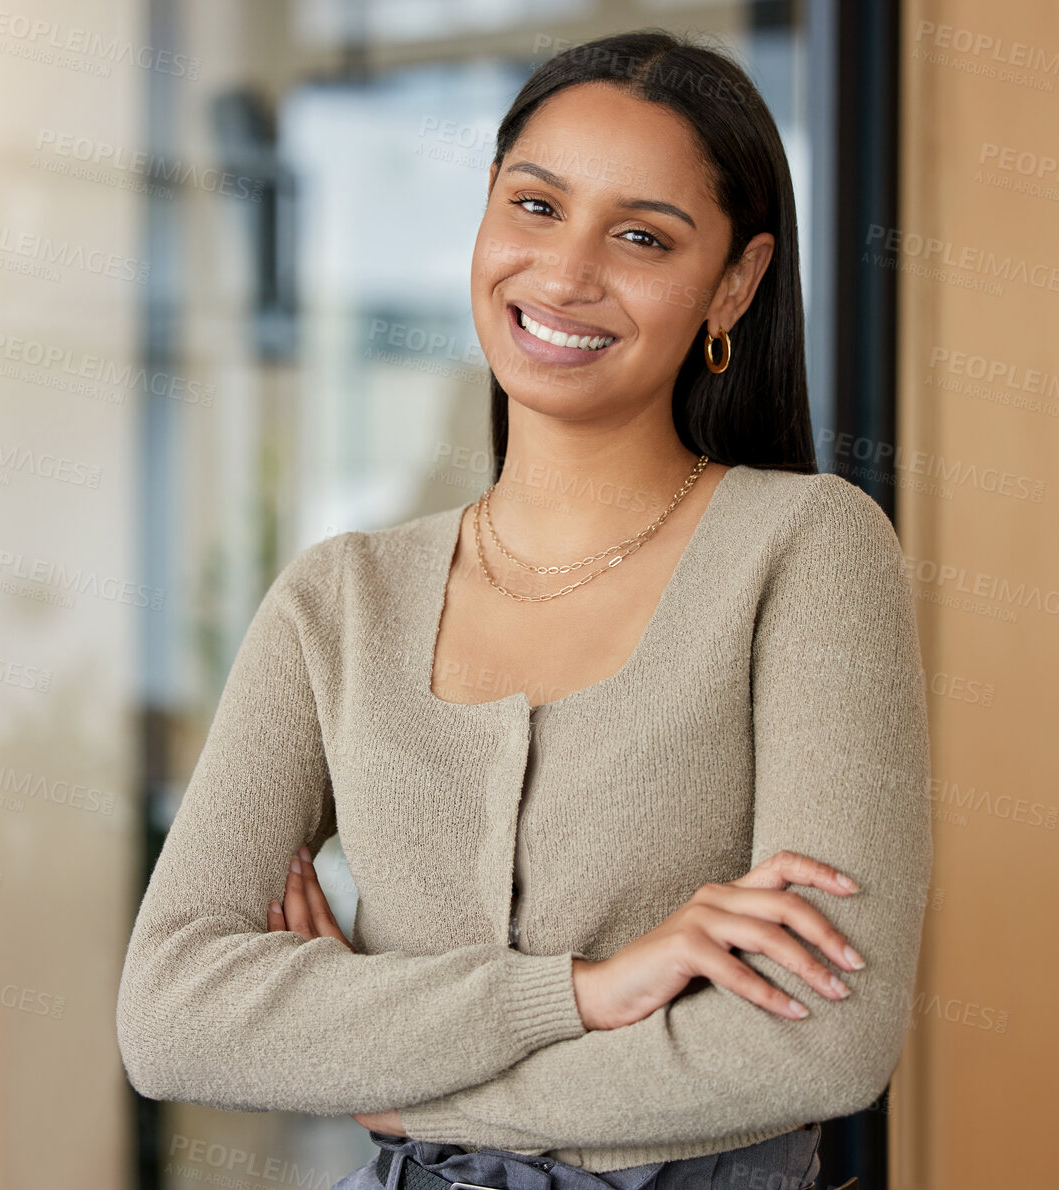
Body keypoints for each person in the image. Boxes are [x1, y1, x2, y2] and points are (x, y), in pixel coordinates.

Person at [118, 28, 928, 1190]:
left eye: (641, 236)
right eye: (535, 207)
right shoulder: (338, 598)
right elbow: (171, 1011)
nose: (563, 274)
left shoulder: (804, 550)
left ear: (734, 283)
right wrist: (584, 994)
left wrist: (389, 1079)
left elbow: (819, 1037)